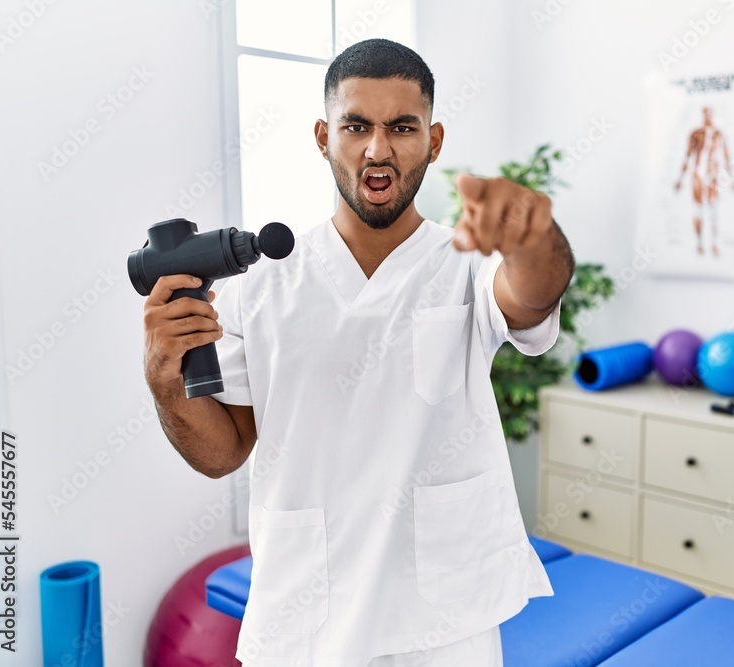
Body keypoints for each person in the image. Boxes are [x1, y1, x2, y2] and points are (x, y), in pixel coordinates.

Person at [141, 38, 574, 666]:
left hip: (444, 623)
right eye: (356, 126)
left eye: (403, 127)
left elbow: (531, 298)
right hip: (303, 617)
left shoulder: (470, 266)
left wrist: (535, 238)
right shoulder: (260, 288)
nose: (378, 149)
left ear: (435, 140)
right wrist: (162, 377)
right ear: (323, 136)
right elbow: (220, 453)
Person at [673, 105, 734, 257]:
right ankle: (699, 244)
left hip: (712, 175)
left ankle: (714, 244)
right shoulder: (695, 133)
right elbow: (687, 156)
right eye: (705, 113)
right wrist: (680, 179)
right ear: (703, 114)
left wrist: (732, 178)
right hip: (697, 175)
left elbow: (726, 155)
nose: (708, 116)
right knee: (698, 209)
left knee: (713, 209)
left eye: (710, 113)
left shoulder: (718, 134)